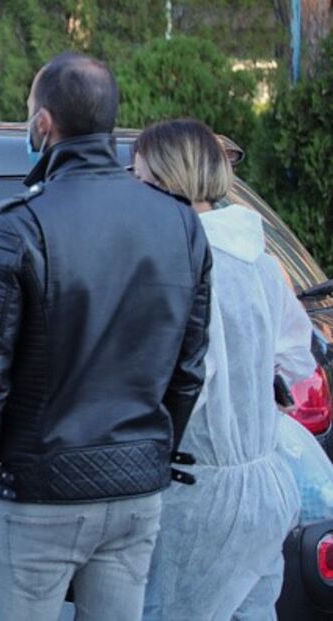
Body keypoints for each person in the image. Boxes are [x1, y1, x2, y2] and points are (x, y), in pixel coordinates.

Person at [0, 53, 212, 621]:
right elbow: (189, 367)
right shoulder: (180, 222)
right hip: (135, 492)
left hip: (39, 493)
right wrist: (154, 455)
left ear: (43, 124)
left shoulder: (16, 224)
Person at [134, 119, 315, 620]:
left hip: (199, 495)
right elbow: (296, 355)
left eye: (142, 178)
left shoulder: (184, 260)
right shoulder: (254, 257)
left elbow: (183, 382)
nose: (136, 191)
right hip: (265, 486)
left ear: (171, 180)